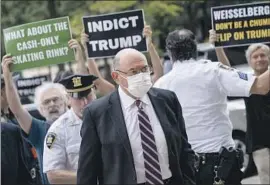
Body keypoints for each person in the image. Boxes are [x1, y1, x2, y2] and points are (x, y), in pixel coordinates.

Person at [154, 29, 270, 185]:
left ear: (170, 52)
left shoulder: (161, 85)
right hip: (221, 165)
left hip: (186, 167)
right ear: (195, 48)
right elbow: (261, 86)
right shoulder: (213, 70)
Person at [77, 48, 196, 185]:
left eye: (145, 69)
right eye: (133, 72)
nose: (141, 75)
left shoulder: (167, 100)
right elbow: (88, 169)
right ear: (116, 77)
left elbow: (184, 150)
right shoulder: (97, 113)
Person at [1, 39, 82, 184]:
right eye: (46, 102)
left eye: (56, 99)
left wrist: (80, 58)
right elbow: (17, 110)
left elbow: (83, 89)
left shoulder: (82, 121)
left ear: (66, 101)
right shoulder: (39, 129)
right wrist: (7, 76)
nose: (52, 104)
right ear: (40, 108)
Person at [209, 29, 270, 184]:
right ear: (249, 61)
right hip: (259, 140)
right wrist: (218, 47)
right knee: (266, 176)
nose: (259, 59)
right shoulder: (246, 82)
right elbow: (227, 71)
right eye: (255, 56)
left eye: (263, 55)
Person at [43, 74, 98, 184]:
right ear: (68, 99)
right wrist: (91, 177)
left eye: (88, 96)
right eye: (78, 98)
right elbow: (53, 175)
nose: (85, 103)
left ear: (94, 94)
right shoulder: (58, 130)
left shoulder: (108, 119)